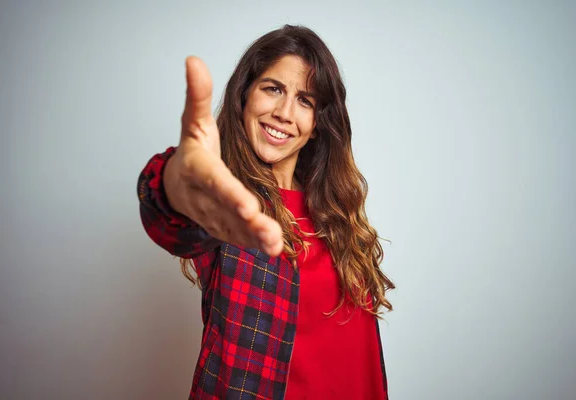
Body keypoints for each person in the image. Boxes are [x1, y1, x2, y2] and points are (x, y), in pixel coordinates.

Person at [137, 25, 395, 400]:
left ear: (318, 124)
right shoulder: (230, 205)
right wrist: (176, 182)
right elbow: (170, 211)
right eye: (273, 88)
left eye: (305, 100)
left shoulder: (335, 212)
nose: (285, 113)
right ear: (244, 95)